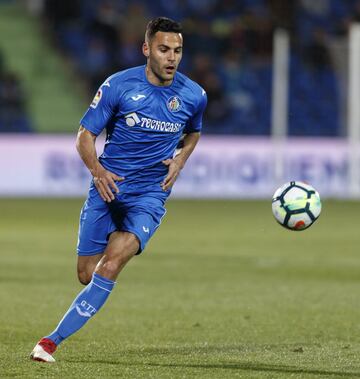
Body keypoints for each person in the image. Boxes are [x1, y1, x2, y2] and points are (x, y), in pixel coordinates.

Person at [30, 16, 207, 363]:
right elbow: (84, 136)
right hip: (108, 188)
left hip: (150, 194)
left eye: (178, 50)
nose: (172, 57)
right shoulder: (118, 86)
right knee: (86, 274)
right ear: (146, 49)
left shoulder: (193, 94)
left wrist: (181, 159)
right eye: (164, 49)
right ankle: (104, 255)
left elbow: (194, 132)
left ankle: (49, 342)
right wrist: (97, 171)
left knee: (111, 264)